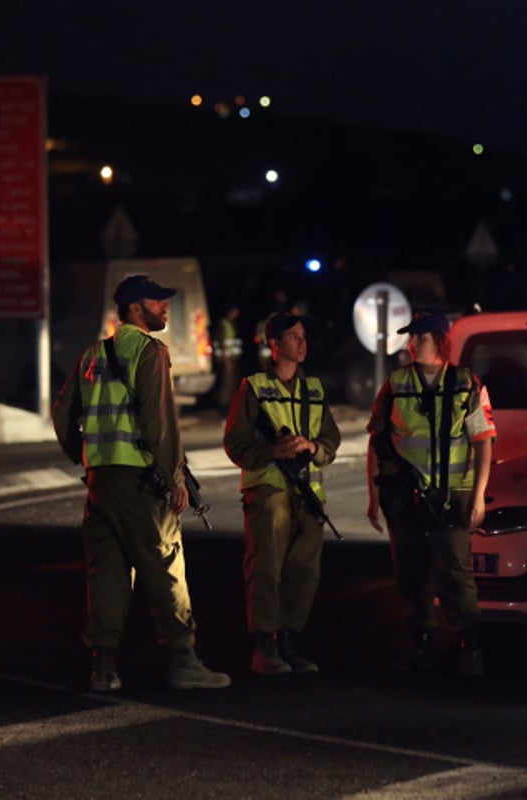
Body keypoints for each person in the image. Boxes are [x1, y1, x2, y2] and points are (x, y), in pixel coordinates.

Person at [51, 274, 231, 692]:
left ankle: (102, 667)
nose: (165, 308)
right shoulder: (150, 352)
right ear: (136, 308)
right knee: (165, 564)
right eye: (158, 301)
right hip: (140, 482)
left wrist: (86, 454)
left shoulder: (92, 354)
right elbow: (159, 421)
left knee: (107, 573)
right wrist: (173, 478)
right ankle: (184, 660)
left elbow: (62, 415)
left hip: (101, 481)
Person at [365, 310, 496, 676]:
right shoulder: (396, 383)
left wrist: (480, 495)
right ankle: (420, 643)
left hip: (453, 496)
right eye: (411, 338)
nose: (412, 344)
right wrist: (374, 498)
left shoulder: (466, 384)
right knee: (411, 573)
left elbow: (484, 443)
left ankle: (470, 645)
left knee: (455, 571)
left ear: (440, 341)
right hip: (404, 497)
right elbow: (377, 442)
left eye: (420, 337)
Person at [223, 312, 341, 676]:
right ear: (274, 345)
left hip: (307, 492)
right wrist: (274, 451)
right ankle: (265, 645)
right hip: (269, 490)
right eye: (292, 337)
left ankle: (290, 640)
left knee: (304, 570)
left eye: (303, 336)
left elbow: (331, 440)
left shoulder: (314, 389)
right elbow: (235, 442)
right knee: (266, 568)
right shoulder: (254, 387)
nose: (301, 343)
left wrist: (312, 447)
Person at [214, 303, 243, 414]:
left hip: (231, 360)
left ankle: (228, 408)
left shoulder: (231, 324)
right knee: (225, 385)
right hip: (225, 361)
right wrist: (227, 362)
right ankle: (222, 409)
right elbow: (222, 345)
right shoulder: (223, 325)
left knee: (231, 385)